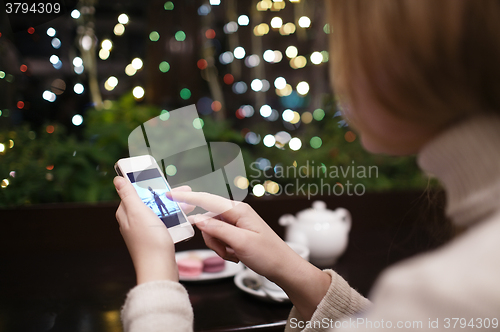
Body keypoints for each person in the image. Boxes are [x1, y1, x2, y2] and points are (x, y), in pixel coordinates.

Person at [113, 0, 500, 331]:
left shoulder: (449, 292)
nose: (338, 75)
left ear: (413, 57)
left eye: (344, 43)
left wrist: (156, 274)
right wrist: (292, 269)